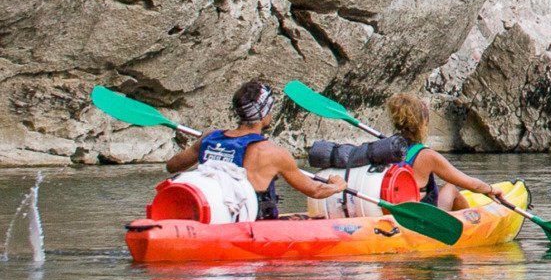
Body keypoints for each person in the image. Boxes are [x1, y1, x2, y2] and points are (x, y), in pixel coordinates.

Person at [167, 79, 345, 219]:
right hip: (251, 225)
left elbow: (172, 166)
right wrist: (338, 186)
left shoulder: (210, 138)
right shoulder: (273, 153)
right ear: (264, 113)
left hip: (210, 214)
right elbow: (315, 191)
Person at [310, 91, 504, 213]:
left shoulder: (383, 148)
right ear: (423, 124)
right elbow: (471, 184)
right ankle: (468, 223)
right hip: (417, 214)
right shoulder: (428, 156)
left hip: (388, 209)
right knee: (450, 188)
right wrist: (490, 189)